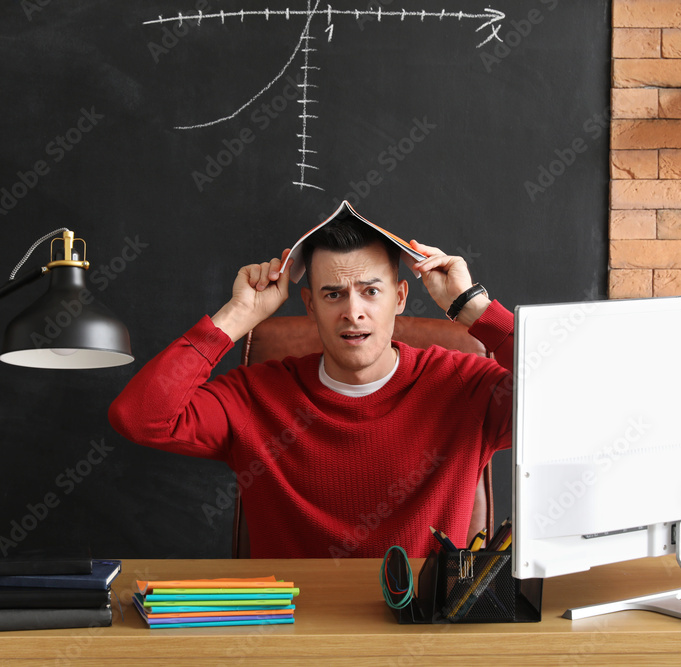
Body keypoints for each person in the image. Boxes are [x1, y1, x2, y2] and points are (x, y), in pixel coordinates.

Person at [108, 214, 514, 558]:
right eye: (333, 294)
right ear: (310, 306)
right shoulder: (256, 396)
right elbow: (141, 418)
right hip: (289, 636)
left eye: (371, 292)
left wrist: (475, 309)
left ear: (401, 297)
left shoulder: (464, 386)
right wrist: (236, 318)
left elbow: (573, 401)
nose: (353, 312)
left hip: (422, 634)